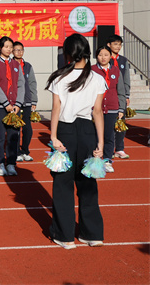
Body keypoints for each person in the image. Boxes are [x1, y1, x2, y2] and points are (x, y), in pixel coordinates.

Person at [46, 33, 106, 249]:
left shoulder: (59, 78)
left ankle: (65, 236)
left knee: (63, 185)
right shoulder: (97, 78)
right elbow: (97, 112)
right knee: (87, 183)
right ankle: (93, 234)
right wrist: (100, 143)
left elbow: (56, 108)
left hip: (66, 131)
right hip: (88, 132)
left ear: (68, 53)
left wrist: (53, 136)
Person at [0, 36, 26, 176]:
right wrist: (5, 103)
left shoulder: (16, 64)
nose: (9, 49)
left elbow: (21, 85)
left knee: (14, 136)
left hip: (15, 107)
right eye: (6, 47)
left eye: (11, 47)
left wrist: (18, 103)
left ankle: (11, 163)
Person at [91, 46, 125, 173]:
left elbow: (120, 91)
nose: (103, 58)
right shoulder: (92, 70)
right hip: (96, 109)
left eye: (106, 55)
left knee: (109, 136)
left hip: (112, 108)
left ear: (110, 56)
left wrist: (121, 108)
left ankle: (107, 160)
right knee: (94, 135)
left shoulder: (116, 70)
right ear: (96, 56)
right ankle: (95, 159)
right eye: (100, 55)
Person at [106, 34, 131, 159]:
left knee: (121, 122)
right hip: (109, 95)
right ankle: (109, 149)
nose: (118, 47)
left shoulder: (123, 60)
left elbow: (126, 78)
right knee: (109, 123)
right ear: (109, 45)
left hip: (121, 95)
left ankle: (120, 148)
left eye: (120, 44)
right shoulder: (105, 59)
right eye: (115, 44)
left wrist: (127, 95)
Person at [13, 41, 38, 162]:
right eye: (16, 50)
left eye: (21, 50)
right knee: (15, 128)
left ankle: (25, 151)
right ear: (12, 51)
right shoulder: (10, 64)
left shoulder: (28, 66)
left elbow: (32, 83)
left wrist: (34, 100)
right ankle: (16, 152)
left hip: (27, 101)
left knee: (28, 129)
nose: (19, 52)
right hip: (14, 102)